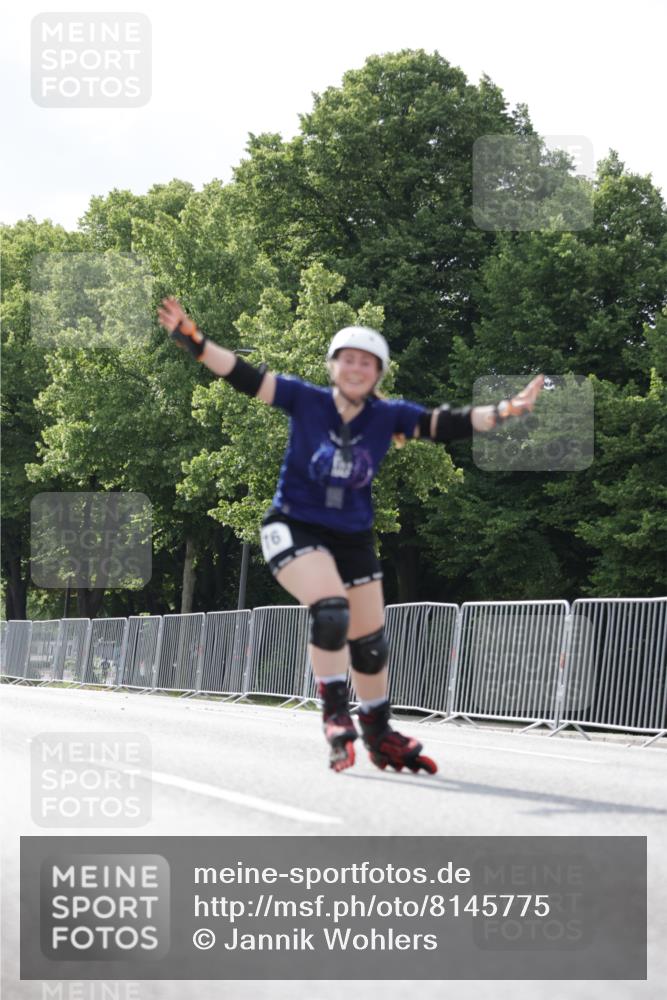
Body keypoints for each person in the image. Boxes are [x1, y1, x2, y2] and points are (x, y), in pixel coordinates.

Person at [157, 297, 544, 774]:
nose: (357, 368)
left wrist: (508, 409)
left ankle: (378, 732)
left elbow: (447, 424)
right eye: (349, 359)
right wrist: (195, 342)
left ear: (378, 374)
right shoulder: (307, 399)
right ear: (334, 366)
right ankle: (335, 712)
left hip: (353, 537)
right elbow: (245, 375)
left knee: (371, 644)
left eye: (368, 363)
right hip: (294, 525)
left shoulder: (388, 416)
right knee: (332, 611)